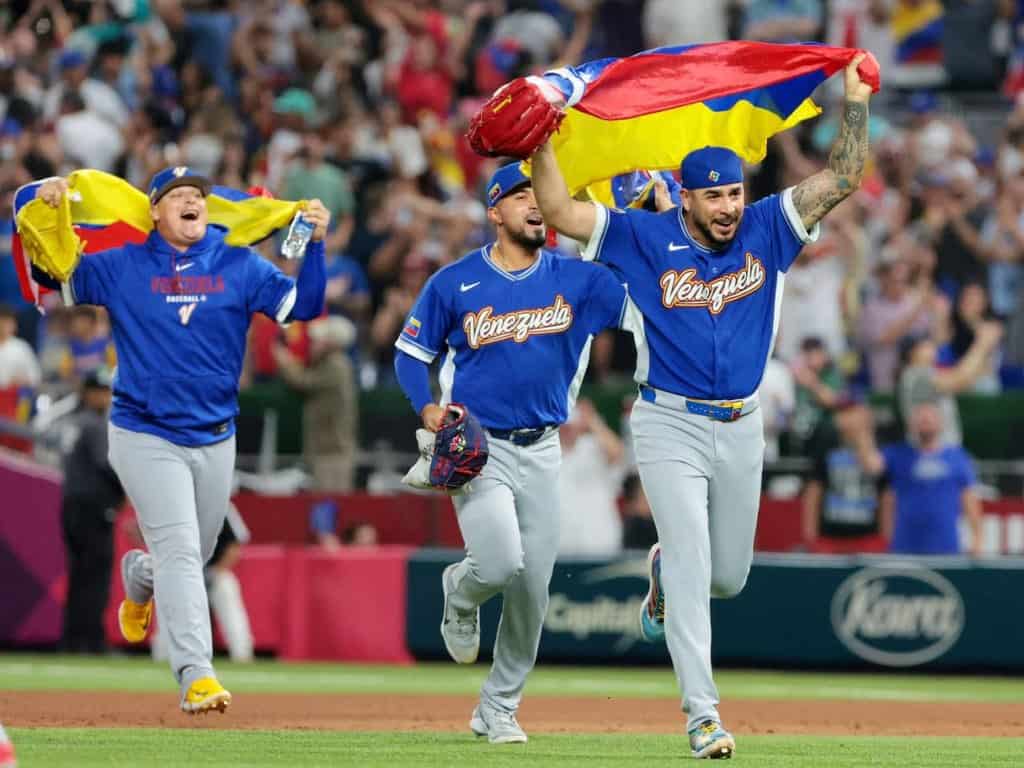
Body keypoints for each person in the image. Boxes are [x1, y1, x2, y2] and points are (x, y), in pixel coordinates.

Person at [529, 56, 873, 760]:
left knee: (727, 577)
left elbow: (842, 177)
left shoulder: (769, 227)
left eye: (734, 193)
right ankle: (703, 714)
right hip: (667, 421)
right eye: (712, 196)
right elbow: (561, 211)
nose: (726, 206)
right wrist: (539, 141)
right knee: (692, 564)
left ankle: (662, 577)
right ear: (684, 198)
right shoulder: (642, 236)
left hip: (743, 424)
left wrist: (857, 97)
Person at [34, 167, 329, 714]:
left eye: (199, 195)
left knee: (190, 555)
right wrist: (51, 211)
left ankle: (140, 576)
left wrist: (316, 246)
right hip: (144, 431)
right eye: (178, 196)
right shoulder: (123, 265)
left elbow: (304, 308)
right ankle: (196, 674)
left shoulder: (239, 263)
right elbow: (54, 277)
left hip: (216, 434)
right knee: (182, 551)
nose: (192, 200)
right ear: (153, 212)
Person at [393, 162, 630, 744]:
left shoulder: (579, 280)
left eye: (538, 194)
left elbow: (642, 289)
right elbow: (409, 353)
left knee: (532, 591)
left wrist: (636, 210)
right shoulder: (456, 281)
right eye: (519, 196)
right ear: (495, 211)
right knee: (499, 564)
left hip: (546, 449)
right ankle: (462, 589)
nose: (533, 204)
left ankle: (498, 706)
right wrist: (425, 407)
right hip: (479, 449)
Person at [847, 402, 982, 556]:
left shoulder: (957, 457)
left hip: (946, 545)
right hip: (905, 545)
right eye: (920, 419)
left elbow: (970, 499)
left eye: (929, 418)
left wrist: (977, 538)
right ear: (911, 425)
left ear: (941, 423)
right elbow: (870, 465)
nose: (925, 422)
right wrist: (863, 432)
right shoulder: (897, 454)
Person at [60, 367, 123, 654]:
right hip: (95, 507)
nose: (106, 397)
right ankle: (93, 641)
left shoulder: (73, 421)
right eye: (102, 391)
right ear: (89, 393)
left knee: (79, 574)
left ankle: (73, 640)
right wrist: (128, 486)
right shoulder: (96, 424)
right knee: (96, 575)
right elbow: (107, 463)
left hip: (72, 504)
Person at [273, 315, 359, 492]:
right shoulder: (331, 363)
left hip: (332, 454)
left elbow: (303, 381)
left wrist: (285, 362)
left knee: (331, 507)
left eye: (317, 341)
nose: (311, 345)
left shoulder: (336, 365)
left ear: (331, 344)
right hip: (325, 451)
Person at [801, 401, 888, 554]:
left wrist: (886, 537)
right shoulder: (827, 446)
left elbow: (885, 494)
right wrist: (810, 535)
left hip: (868, 536)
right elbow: (814, 491)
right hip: (830, 535)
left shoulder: (881, 449)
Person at [557, 398, 626, 558]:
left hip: (600, 541)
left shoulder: (593, 446)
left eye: (571, 425)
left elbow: (618, 453)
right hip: (561, 546)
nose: (567, 430)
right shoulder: (545, 453)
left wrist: (593, 421)